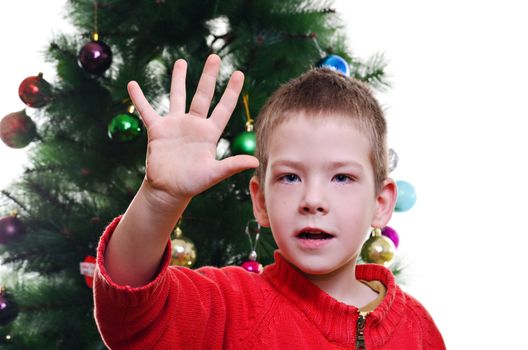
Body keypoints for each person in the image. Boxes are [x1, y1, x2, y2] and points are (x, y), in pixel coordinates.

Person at [93, 54, 446, 349]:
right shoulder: (231, 308)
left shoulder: (417, 329)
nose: (313, 200)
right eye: (290, 177)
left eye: (342, 178)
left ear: (381, 203)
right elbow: (130, 313)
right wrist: (160, 198)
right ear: (260, 201)